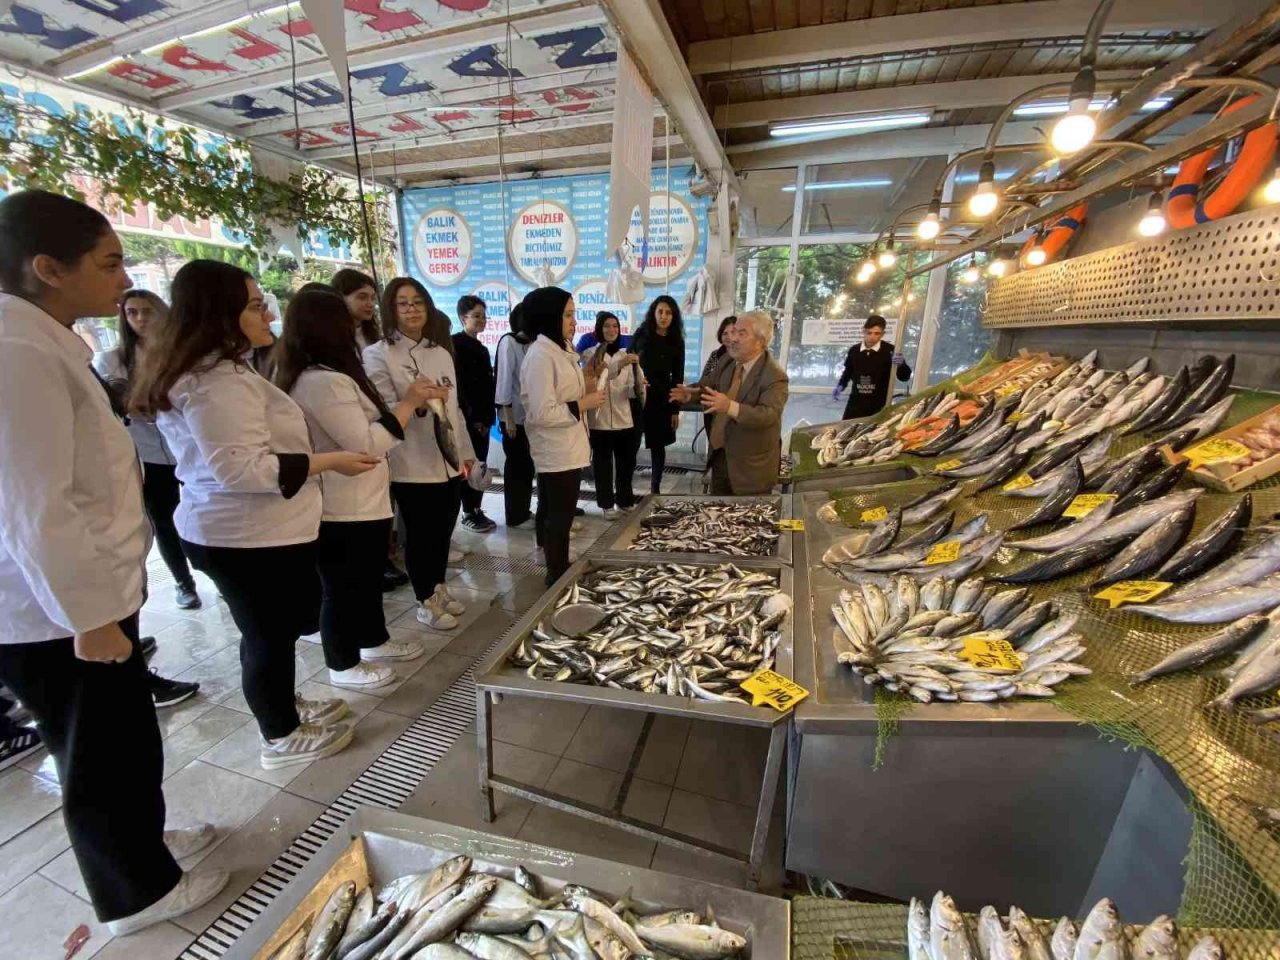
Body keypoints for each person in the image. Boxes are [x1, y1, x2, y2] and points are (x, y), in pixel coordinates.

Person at [0, 190, 228, 935]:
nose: (123, 277)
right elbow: (34, 506)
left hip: (83, 598)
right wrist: (91, 618)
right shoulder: (18, 353)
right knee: (99, 756)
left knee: (127, 742)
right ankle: (135, 894)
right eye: (108, 262)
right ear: (47, 268)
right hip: (56, 616)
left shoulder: (46, 342)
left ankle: (146, 846)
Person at [131, 259, 380, 770]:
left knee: (274, 631)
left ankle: (282, 705)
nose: (266, 310)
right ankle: (280, 735)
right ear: (220, 314)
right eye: (252, 305)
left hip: (253, 530)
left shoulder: (228, 368)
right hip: (242, 534)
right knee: (267, 634)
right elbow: (241, 470)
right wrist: (328, 461)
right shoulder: (213, 382)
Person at [275, 289, 427, 690]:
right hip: (341, 505)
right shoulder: (320, 382)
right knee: (342, 587)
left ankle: (372, 640)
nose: (356, 326)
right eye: (346, 320)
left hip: (365, 500)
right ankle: (342, 663)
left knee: (364, 579)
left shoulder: (335, 374)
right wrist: (408, 403)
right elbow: (364, 444)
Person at [363, 278, 475, 629]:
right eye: (403, 303)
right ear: (390, 310)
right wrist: (416, 401)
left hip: (448, 460)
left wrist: (466, 453)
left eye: (418, 302)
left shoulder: (440, 352)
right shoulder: (377, 354)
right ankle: (424, 599)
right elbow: (381, 412)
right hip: (410, 461)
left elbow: (454, 410)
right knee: (421, 534)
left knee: (443, 531)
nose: (412, 310)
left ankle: (438, 587)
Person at [94, 291, 202, 611]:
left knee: (197, 510)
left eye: (147, 312)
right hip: (147, 454)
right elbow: (118, 404)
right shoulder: (111, 360)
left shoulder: (183, 354)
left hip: (187, 447)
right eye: (132, 313)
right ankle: (183, 582)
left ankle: (213, 573)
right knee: (163, 519)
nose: (140, 319)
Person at [522, 287, 604, 584]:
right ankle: (555, 576)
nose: (574, 321)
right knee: (559, 517)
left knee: (562, 515)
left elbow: (565, 392)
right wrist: (583, 404)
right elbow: (541, 413)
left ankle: (560, 565)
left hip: (569, 447)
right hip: (555, 450)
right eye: (568, 315)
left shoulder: (562, 348)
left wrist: (589, 382)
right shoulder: (540, 355)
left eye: (574, 314)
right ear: (549, 316)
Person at [671, 311, 788, 496]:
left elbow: (768, 415)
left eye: (741, 334)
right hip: (720, 455)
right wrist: (690, 395)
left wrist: (730, 407)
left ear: (760, 341)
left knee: (748, 521)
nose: (733, 339)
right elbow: (706, 386)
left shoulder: (775, 376)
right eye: (734, 332)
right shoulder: (727, 361)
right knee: (716, 515)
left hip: (750, 469)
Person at [582, 311, 643, 518]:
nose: (611, 330)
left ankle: (625, 501)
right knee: (602, 464)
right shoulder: (591, 354)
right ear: (599, 329)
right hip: (598, 419)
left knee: (626, 464)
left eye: (615, 326)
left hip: (623, 418)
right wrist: (620, 365)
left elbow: (629, 387)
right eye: (607, 326)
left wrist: (639, 387)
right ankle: (606, 505)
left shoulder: (627, 353)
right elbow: (600, 376)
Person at [452, 294, 497, 533]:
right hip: (469, 419)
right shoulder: (455, 345)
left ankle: (477, 508)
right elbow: (463, 388)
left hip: (484, 418)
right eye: (476, 316)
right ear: (462, 318)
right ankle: (468, 512)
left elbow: (486, 386)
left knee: (480, 464)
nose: (482, 320)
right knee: (468, 465)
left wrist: (488, 417)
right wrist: (475, 418)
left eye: (484, 316)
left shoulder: (480, 347)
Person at [632, 295, 686, 494]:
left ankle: (655, 487)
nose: (664, 316)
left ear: (674, 316)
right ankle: (625, 489)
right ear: (653, 313)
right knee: (632, 443)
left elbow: (678, 377)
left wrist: (675, 410)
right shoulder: (642, 334)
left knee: (658, 446)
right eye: (660, 312)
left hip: (663, 399)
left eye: (668, 313)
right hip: (639, 396)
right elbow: (629, 361)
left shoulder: (676, 341)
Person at [494, 303, 536, 528]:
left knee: (527, 466)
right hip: (512, 418)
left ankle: (523, 509)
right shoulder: (508, 342)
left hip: (528, 417)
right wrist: (508, 416)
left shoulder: (532, 344)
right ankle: (514, 516)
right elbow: (503, 381)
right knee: (516, 467)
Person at [833, 315, 912, 420]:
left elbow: (904, 377)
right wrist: (841, 386)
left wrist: (901, 364)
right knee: (847, 431)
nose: (872, 337)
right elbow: (848, 372)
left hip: (879, 405)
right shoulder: (854, 350)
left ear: (883, 334)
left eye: (877, 333)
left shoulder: (890, 351)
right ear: (864, 331)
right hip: (856, 404)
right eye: (869, 333)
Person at [695, 314, 737, 437]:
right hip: (711, 407)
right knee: (714, 446)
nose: (729, 337)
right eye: (725, 333)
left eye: (733, 332)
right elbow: (704, 379)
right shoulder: (715, 355)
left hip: (731, 410)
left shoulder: (742, 356)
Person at [331, 268, 382, 352]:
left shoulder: (373, 334)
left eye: (373, 298)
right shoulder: (331, 338)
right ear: (341, 297)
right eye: (362, 297)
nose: (371, 304)